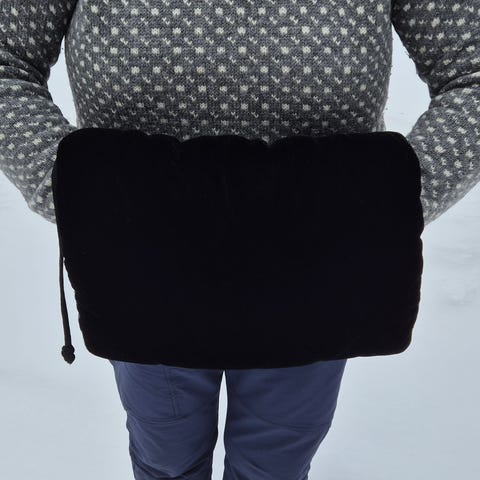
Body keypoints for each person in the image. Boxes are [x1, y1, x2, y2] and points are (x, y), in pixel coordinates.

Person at [1, 1, 479, 479]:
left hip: (312, 272)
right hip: (146, 267)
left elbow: (471, 70)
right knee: (166, 455)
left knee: (275, 461)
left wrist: (386, 203)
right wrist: (78, 192)